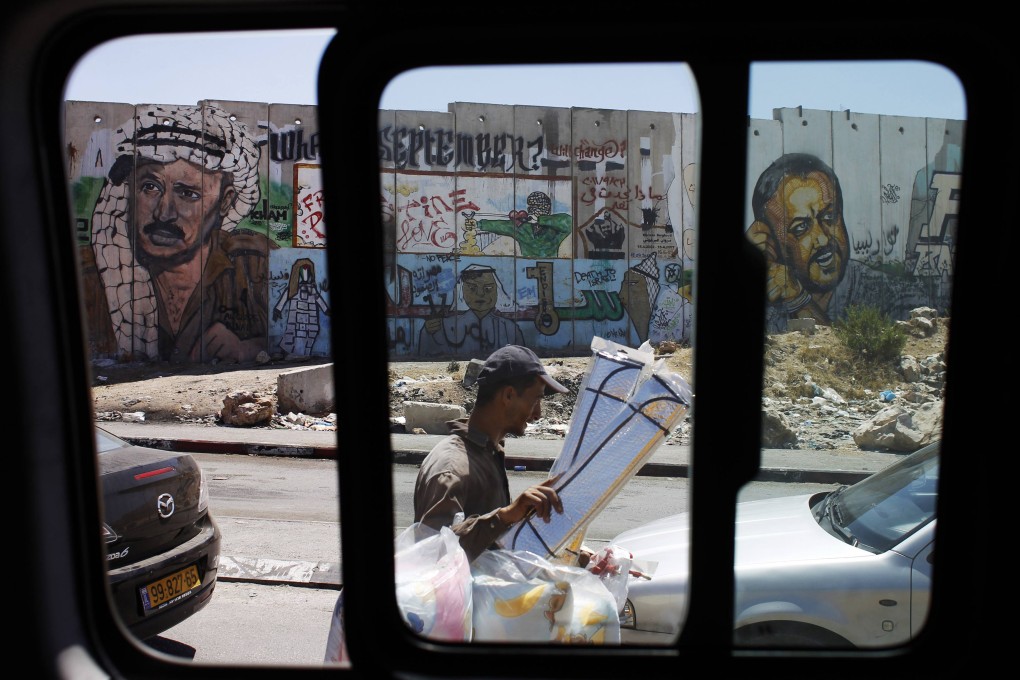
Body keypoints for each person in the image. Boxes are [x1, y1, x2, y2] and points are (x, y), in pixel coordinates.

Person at [81, 103, 277, 364]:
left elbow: (304, 337)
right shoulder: (89, 275)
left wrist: (249, 349)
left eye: (188, 193)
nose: (164, 214)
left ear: (225, 201)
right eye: (150, 187)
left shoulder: (257, 264)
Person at [413, 344, 569, 562]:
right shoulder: (452, 468)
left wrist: (571, 554)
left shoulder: (488, 452)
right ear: (508, 395)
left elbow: (492, 546)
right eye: (535, 400)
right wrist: (504, 516)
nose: (538, 414)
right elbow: (433, 554)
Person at [745, 153, 850, 328]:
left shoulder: (885, 291)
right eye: (801, 227)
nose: (823, 239)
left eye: (829, 217)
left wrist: (798, 300)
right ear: (770, 239)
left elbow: (835, 345)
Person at [417, 263, 524, 358]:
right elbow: (427, 355)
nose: (480, 294)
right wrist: (427, 332)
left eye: (488, 288)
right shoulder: (442, 327)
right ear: (462, 291)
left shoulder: (510, 328)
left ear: (497, 291)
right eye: (472, 288)